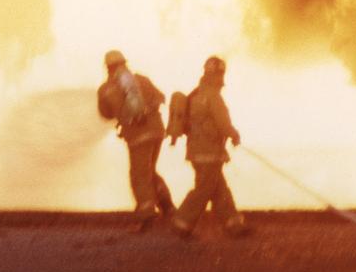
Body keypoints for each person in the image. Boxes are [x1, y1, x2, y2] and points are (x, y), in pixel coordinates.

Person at [169, 56, 250, 240]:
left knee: (218, 187)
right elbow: (223, 123)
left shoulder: (195, 94)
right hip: (209, 152)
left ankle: (233, 224)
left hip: (196, 151)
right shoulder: (213, 96)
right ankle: (181, 222)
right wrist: (234, 134)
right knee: (205, 188)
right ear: (219, 74)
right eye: (221, 74)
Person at [97, 49, 175, 232]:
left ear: (108, 67)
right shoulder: (142, 79)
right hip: (157, 131)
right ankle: (167, 206)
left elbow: (106, 114)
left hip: (138, 136)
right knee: (149, 171)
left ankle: (146, 215)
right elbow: (160, 97)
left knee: (139, 175)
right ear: (124, 63)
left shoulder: (107, 88)